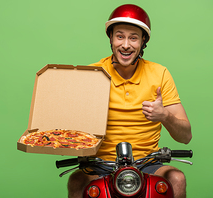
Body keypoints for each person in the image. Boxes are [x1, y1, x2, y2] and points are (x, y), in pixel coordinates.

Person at [67, 4, 192, 198]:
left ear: (143, 41)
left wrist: (164, 116)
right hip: (99, 164)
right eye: (120, 36)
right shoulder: (91, 74)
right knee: (76, 181)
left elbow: (185, 136)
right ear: (111, 38)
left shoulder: (160, 74)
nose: (126, 44)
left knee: (177, 178)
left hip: (148, 164)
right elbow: (69, 126)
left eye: (133, 37)